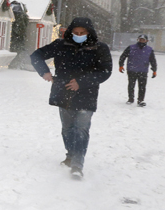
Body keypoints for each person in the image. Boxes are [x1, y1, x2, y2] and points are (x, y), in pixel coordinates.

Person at [30, 17, 112, 178]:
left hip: (86, 94)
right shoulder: (61, 45)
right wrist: (44, 71)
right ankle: (70, 155)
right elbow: (36, 55)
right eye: (76, 32)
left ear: (89, 33)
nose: (79, 35)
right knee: (67, 129)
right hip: (64, 93)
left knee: (81, 129)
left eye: (82, 33)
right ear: (70, 32)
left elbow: (105, 71)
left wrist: (81, 82)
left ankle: (77, 164)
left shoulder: (99, 48)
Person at [118, 34, 157, 107]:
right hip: (131, 70)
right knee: (131, 85)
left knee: (142, 86)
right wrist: (121, 65)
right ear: (138, 40)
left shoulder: (149, 50)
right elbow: (123, 56)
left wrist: (154, 70)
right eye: (140, 39)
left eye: (143, 39)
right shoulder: (131, 48)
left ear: (146, 41)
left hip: (143, 70)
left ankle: (141, 100)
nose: (141, 41)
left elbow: (153, 60)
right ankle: (130, 99)